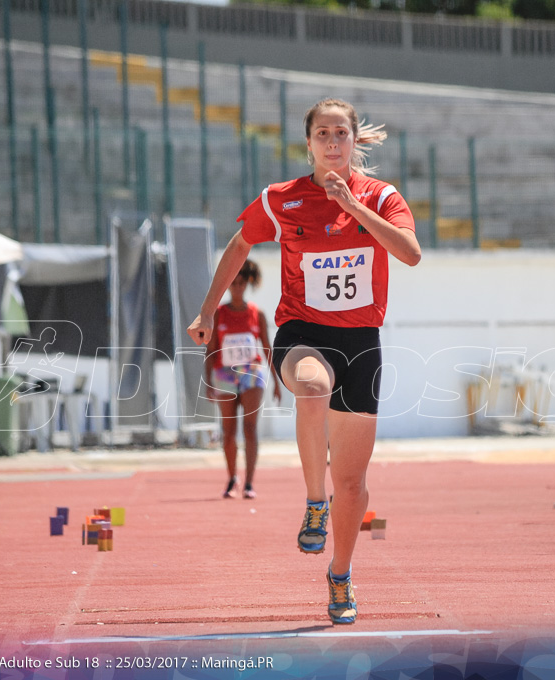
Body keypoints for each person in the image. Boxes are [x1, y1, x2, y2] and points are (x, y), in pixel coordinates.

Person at [188, 98, 421, 624]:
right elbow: (239, 244)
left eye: (341, 133)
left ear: (355, 141)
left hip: (362, 342)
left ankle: (340, 574)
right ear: (309, 142)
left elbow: (409, 253)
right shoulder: (281, 200)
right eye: (323, 133)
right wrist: (206, 309)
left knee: (356, 487)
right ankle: (314, 501)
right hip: (302, 333)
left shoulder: (381, 197)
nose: (332, 142)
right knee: (312, 389)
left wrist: (353, 205)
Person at [204, 259, 281, 500]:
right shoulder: (218, 314)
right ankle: (231, 478)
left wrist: (277, 382)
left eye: (241, 283)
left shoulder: (257, 314)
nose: (237, 288)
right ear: (228, 286)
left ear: (247, 284)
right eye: (233, 283)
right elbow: (211, 349)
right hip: (225, 374)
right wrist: (208, 381)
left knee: (250, 428)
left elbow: (267, 348)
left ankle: (249, 482)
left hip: (252, 373)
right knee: (229, 431)